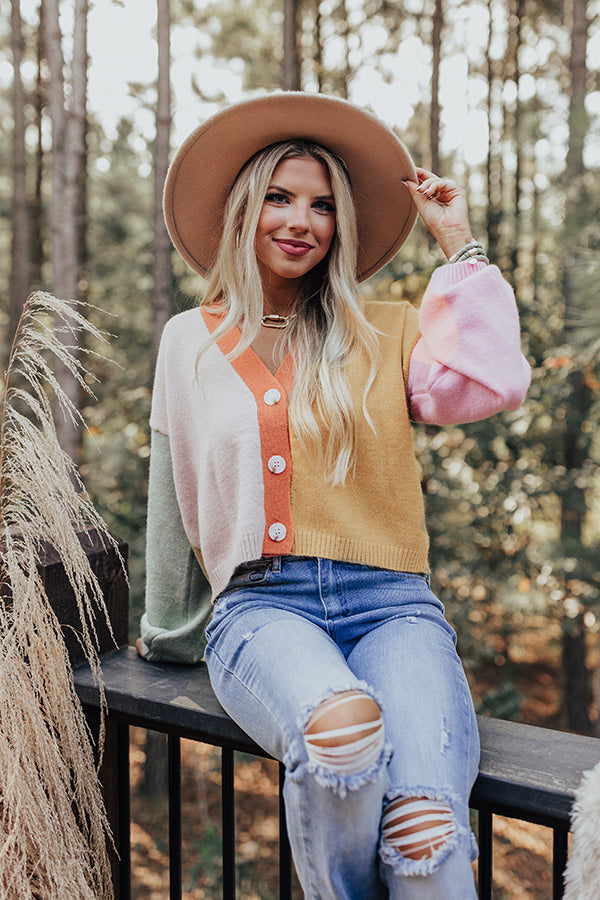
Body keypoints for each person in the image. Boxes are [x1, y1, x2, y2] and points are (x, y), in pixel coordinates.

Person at [136, 92, 531, 899]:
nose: (300, 220)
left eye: (322, 205)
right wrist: (169, 635)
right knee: (342, 734)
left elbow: (490, 384)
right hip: (262, 610)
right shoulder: (187, 340)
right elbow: (173, 500)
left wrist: (459, 246)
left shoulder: (386, 329)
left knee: (425, 828)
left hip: (393, 607)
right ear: (246, 208)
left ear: (340, 226)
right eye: (279, 196)